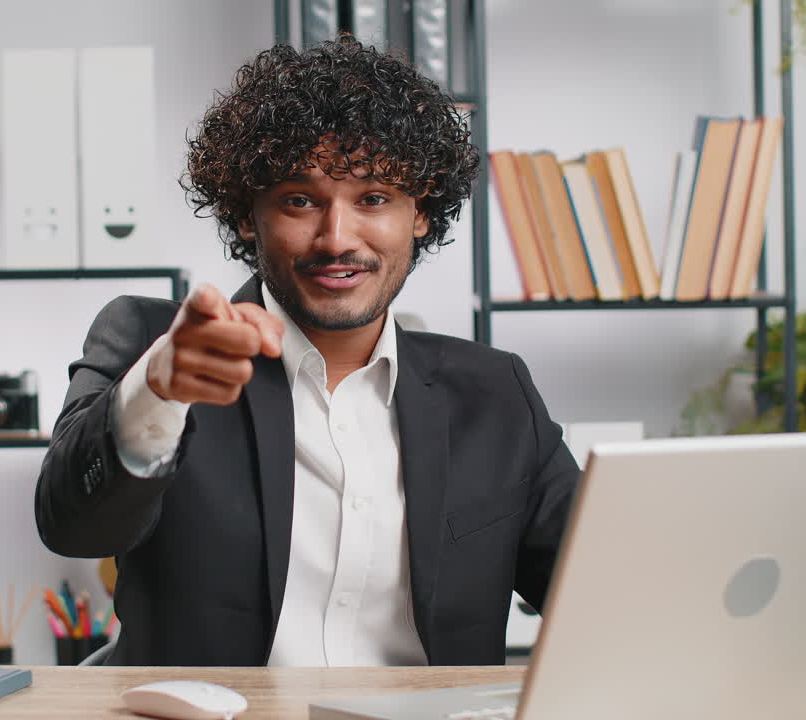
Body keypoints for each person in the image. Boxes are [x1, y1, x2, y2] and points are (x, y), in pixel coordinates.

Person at [35, 35, 580, 667]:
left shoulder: (495, 390)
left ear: (421, 213)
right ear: (247, 215)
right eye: (300, 200)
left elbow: (599, 589)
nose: (336, 238)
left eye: (374, 199)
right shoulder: (148, 344)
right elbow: (73, 527)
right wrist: (156, 392)